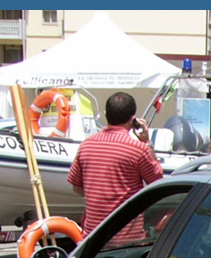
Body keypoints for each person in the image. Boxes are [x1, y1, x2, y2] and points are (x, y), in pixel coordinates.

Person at [67, 91, 163, 238]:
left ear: (106, 113)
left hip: (93, 238)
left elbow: (77, 187)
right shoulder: (138, 149)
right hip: (127, 240)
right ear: (133, 119)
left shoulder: (86, 145)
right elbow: (157, 181)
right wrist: (147, 142)